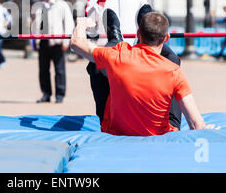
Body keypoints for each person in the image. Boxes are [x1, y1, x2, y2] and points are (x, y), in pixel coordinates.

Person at [70, 10, 218, 136]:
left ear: (138, 33)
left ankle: (116, 37)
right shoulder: (174, 71)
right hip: (161, 135)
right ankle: (145, 29)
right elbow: (196, 124)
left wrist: (82, 24)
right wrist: (206, 130)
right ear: (166, 38)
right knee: (173, 60)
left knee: (96, 65)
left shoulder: (119, 54)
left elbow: (76, 44)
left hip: (117, 132)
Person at [84, 0, 181, 127]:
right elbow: (89, 20)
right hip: (111, 48)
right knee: (96, 69)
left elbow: (148, 18)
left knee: (173, 60)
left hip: (137, 47)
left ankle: (173, 121)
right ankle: (105, 121)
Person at [33, 0, 74, 104]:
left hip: (58, 42)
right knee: (43, 70)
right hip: (43, 42)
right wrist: (35, 40)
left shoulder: (62, 5)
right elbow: (35, 26)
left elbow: (68, 23)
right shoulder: (38, 7)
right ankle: (46, 94)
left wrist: (66, 40)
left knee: (59, 70)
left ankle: (60, 95)